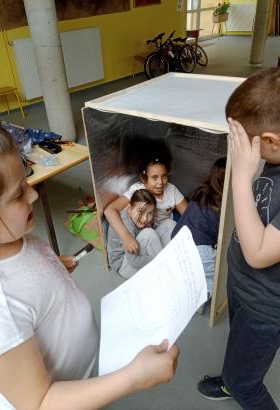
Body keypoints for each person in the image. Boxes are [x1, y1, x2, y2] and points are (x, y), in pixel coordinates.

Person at [0, 120, 179, 410]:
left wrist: (49, 266)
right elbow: (41, 402)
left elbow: (22, 280)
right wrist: (133, 377)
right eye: (17, 194)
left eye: (26, 179)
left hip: (80, 379)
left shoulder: (13, 239)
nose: (32, 194)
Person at [198, 67, 280, 409]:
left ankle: (239, 384)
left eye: (243, 140)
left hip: (267, 307)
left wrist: (242, 177)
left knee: (248, 387)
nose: (240, 148)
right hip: (243, 288)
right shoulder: (275, 158)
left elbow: (259, 254)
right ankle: (235, 376)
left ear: (272, 141)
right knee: (237, 346)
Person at [105, 158, 188, 255]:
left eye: (164, 176)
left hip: (162, 230)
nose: (160, 182)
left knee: (172, 224)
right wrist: (127, 237)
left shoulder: (171, 190)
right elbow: (109, 210)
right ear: (144, 179)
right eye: (154, 177)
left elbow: (189, 215)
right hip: (144, 235)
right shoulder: (138, 190)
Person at [171, 157, 226, 300]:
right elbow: (223, 235)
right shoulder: (222, 205)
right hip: (200, 247)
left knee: (187, 267)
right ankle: (196, 300)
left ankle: (184, 282)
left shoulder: (202, 191)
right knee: (212, 280)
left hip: (179, 237)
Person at [107, 189, 163, 279]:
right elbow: (135, 262)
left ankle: (164, 260)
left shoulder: (139, 219)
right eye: (140, 212)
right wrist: (156, 258)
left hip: (137, 254)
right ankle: (164, 265)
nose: (145, 218)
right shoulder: (126, 224)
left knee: (169, 224)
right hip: (123, 265)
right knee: (149, 233)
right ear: (129, 209)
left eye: (150, 213)